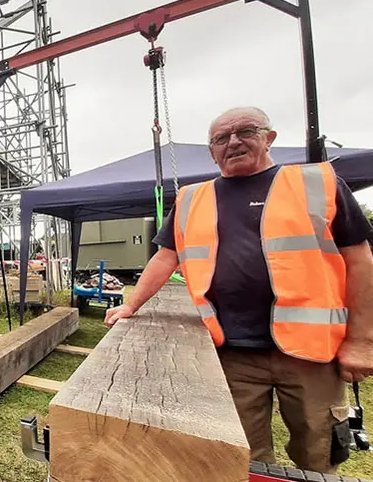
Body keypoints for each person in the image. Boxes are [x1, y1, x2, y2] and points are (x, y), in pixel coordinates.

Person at [105, 107, 373, 473]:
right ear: (212, 151)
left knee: (319, 456)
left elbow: (360, 262)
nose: (233, 142)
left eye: (246, 131)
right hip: (231, 352)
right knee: (239, 459)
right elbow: (165, 259)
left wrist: (361, 341)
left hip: (313, 353)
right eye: (221, 138)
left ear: (269, 137)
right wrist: (130, 306)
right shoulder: (191, 200)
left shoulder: (316, 184)